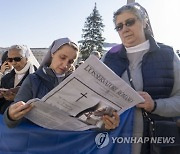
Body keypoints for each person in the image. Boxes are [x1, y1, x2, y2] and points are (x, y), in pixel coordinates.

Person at [102, 3, 180, 154]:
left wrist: (155, 105)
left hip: (157, 144)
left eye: (130, 22)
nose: (124, 29)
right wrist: (104, 120)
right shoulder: (108, 58)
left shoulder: (167, 55)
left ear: (144, 22)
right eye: (119, 26)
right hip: (116, 142)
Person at [4, 37, 119, 130]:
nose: (65, 65)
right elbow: (11, 118)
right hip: (38, 143)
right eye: (62, 57)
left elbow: (88, 123)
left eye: (70, 61)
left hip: (68, 144)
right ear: (53, 53)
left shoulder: (78, 83)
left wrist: (105, 125)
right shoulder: (33, 80)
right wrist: (11, 115)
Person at [0, 45, 38, 114]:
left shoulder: (38, 77)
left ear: (26, 58)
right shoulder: (6, 79)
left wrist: (19, 97)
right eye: (10, 59)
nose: (13, 62)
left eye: (17, 59)